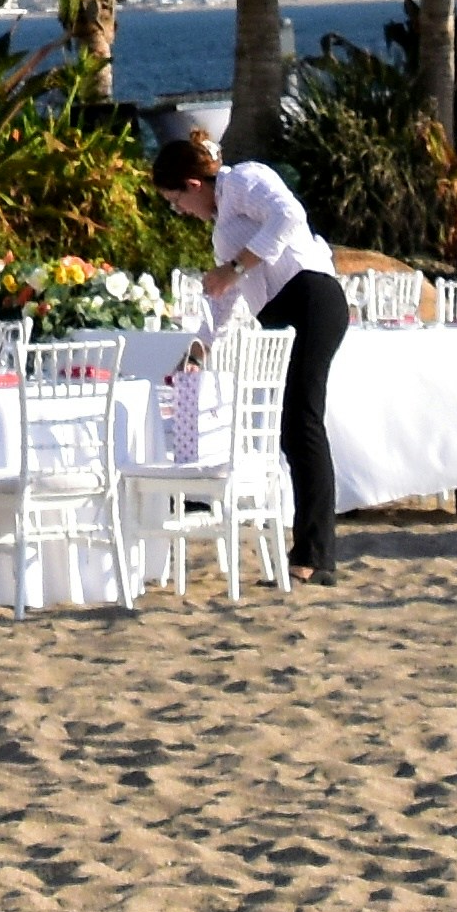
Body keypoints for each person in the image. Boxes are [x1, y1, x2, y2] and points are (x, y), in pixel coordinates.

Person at [160, 126, 352, 584]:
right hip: (281, 310)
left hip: (311, 296)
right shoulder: (222, 230)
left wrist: (234, 267)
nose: (180, 211)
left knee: (302, 423)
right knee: (292, 429)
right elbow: (226, 301)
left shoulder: (244, 179)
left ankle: (316, 557)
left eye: (176, 201)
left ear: (192, 185)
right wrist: (200, 346)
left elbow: (289, 215)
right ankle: (310, 552)